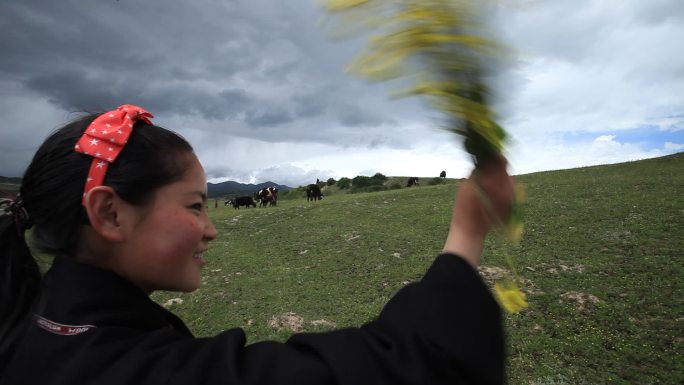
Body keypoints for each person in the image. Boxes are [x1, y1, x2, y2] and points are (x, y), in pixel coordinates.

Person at [0, 105, 514, 385]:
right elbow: (415, 365)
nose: (211, 228)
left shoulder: (35, 322)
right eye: (195, 206)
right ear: (110, 214)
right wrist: (467, 233)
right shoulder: (127, 369)